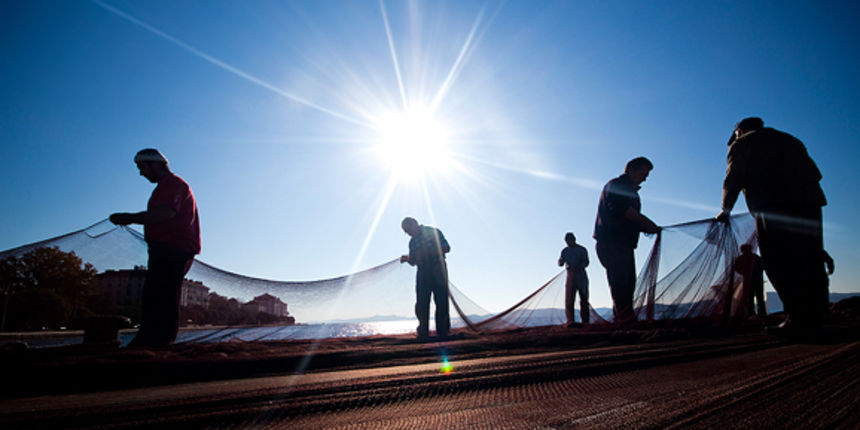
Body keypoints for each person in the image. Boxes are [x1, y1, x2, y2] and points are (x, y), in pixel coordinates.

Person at [717, 117, 828, 330]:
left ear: (740, 130)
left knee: (779, 259)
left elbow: (734, 178)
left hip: (772, 206)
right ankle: (817, 313)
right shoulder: (791, 140)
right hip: (810, 205)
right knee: (810, 257)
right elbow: (816, 174)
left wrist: (726, 209)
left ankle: (798, 317)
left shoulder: (743, 143)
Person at [110, 149, 201, 347]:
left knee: (160, 294)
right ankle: (155, 340)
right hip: (168, 248)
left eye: (142, 168)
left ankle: (155, 341)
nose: (141, 173)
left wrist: (129, 218)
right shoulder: (166, 186)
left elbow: (165, 213)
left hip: (173, 248)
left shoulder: (172, 184)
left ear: (155, 164)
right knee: (158, 293)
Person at [594, 157, 660, 324]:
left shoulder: (631, 192)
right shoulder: (617, 186)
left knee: (628, 284)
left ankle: (623, 318)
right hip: (611, 244)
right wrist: (647, 223)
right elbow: (623, 210)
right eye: (643, 174)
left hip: (624, 244)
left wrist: (647, 227)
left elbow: (630, 218)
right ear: (631, 170)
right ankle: (624, 320)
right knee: (620, 283)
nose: (644, 179)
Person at [400, 217, 450, 339]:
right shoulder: (412, 242)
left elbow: (446, 247)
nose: (407, 233)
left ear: (415, 224)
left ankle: (443, 332)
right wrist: (407, 259)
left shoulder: (432, 232)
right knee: (421, 302)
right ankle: (423, 332)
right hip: (422, 272)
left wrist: (428, 252)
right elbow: (413, 261)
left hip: (438, 269)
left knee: (441, 301)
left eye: (408, 229)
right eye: (405, 231)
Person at [558, 232, 590, 325]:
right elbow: (560, 262)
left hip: (581, 276)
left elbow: (586, 262)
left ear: (574, 240)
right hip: (570, 277)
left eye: (570, 240)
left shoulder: (582, 249)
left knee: (584, 299)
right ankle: (571, 321)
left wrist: (579, 267)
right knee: (569, 299)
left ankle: (585, 322)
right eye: (567, 241)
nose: (568, 242)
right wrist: (560, 261)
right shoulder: (565, 251)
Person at [733, 244, 767, 317]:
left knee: (750, 297)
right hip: (757, 280)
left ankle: (752, 313)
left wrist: (744, 272)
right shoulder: (755, 257)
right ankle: (761, 313)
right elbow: (763, 266)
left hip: (749, 280)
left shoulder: (741, 258)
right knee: (758, 297)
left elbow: (736, 268)